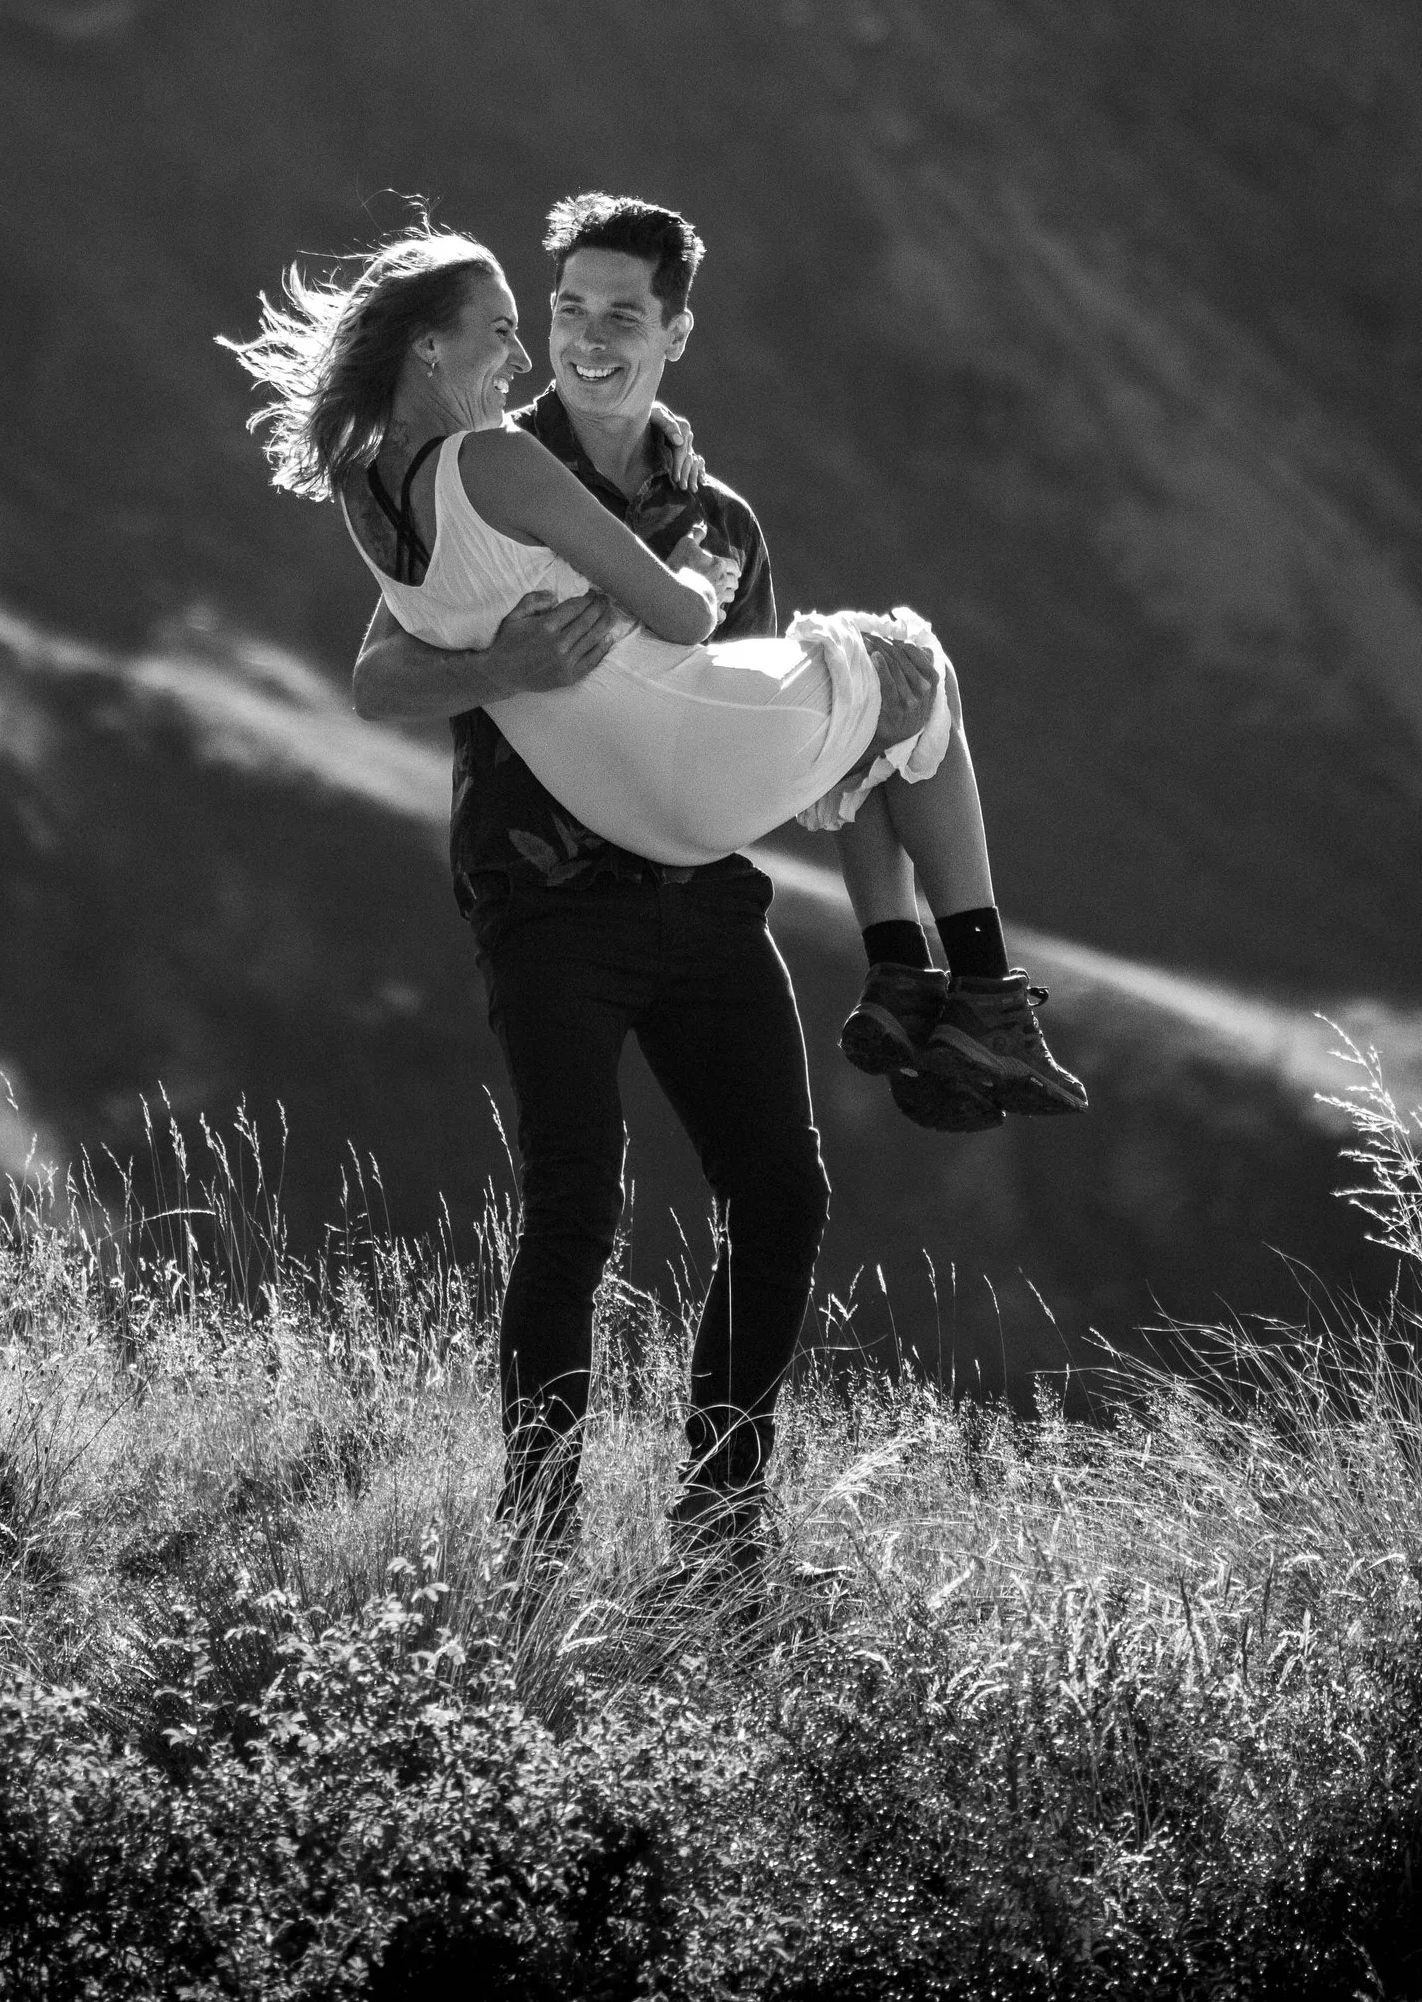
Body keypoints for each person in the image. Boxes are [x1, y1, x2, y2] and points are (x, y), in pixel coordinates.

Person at [224, 194, 1084, 1557]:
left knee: (783, 1195)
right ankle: (537, 1539)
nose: (578, 337)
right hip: (546, 891)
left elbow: (747, 711)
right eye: (561, 310)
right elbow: (382, 673)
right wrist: (512, 661)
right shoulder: (495, 454)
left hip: (697, 886)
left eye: (620, 313)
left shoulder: (718, 509)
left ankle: (722, 1524)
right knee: (575, 1202)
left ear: (676, 333)